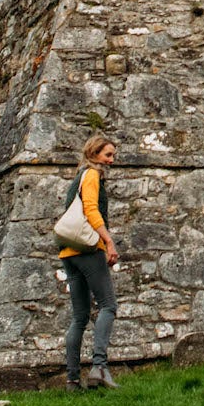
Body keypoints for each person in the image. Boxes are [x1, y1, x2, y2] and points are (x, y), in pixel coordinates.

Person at [60, 134, 120, 391]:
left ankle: (72, 380)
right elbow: (91, 210)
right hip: (87, 249)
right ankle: (99, 367)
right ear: (94, 154)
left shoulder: (77, 178)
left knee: (80, 316)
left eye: (113, 155)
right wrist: (108, 241)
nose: (111, 160)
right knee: (108, 306)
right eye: (107, 155)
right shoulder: (92, 176)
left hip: (68, 253)